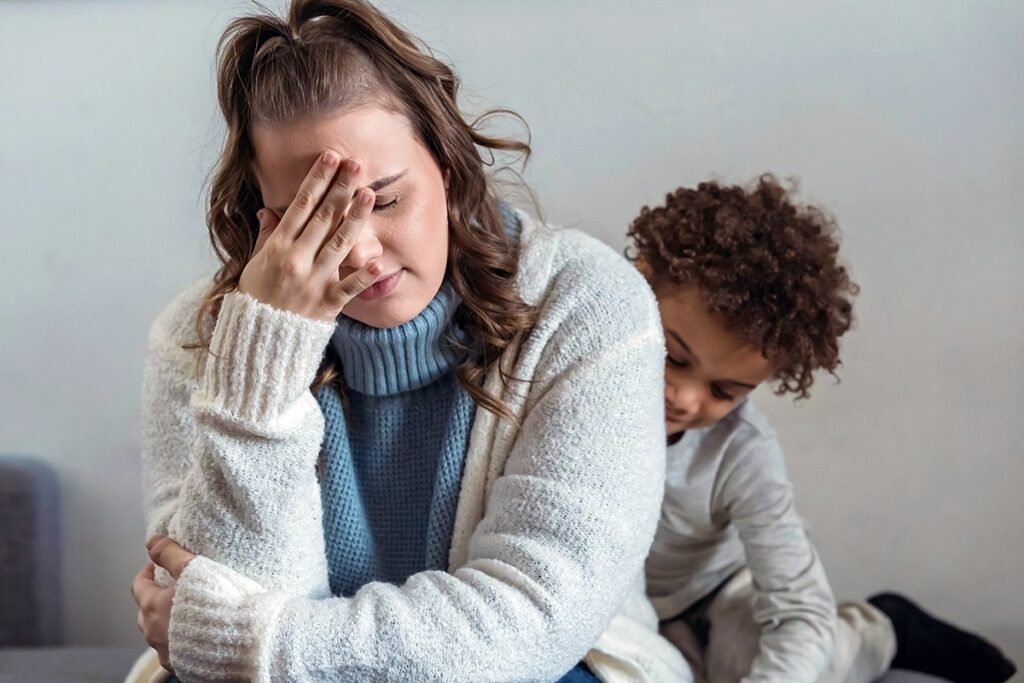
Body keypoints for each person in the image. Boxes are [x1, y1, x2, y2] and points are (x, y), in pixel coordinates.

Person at [126, 1, 690, 681]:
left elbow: (527, 623)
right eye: (313, 219)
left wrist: (261, 643)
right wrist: (265, 356)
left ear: (447, 167)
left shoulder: (587, 305)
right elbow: (216, 626)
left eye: (386, 201)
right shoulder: (197, 338)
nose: (360, 254)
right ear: (266, 218)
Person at [628, 175, 1018, 683]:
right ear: (637, 280)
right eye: (674, 357)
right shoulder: (575, 381)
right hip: (630, 607)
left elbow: (799, 608)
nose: (684, 397)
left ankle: (883, 628)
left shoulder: (741, 453)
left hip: (721, 590)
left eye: (724, 391)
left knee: (780, 661)